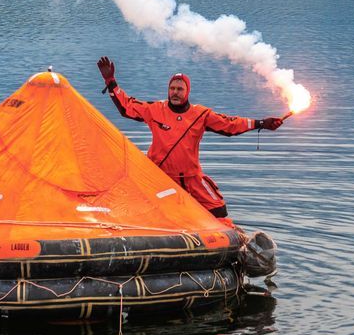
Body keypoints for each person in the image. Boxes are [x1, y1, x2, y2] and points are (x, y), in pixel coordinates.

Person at [96, 56, 284, 223]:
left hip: (191, 178)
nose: (175, 92)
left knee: (219, 210)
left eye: (179, 89)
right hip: (159, 176)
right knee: (141, 211)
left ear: (187, 92)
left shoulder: (200, 114)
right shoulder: (154, 110)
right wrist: (111, 82)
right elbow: (126, 107)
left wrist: (261, 123)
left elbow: (230, 124)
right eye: (172, 89)